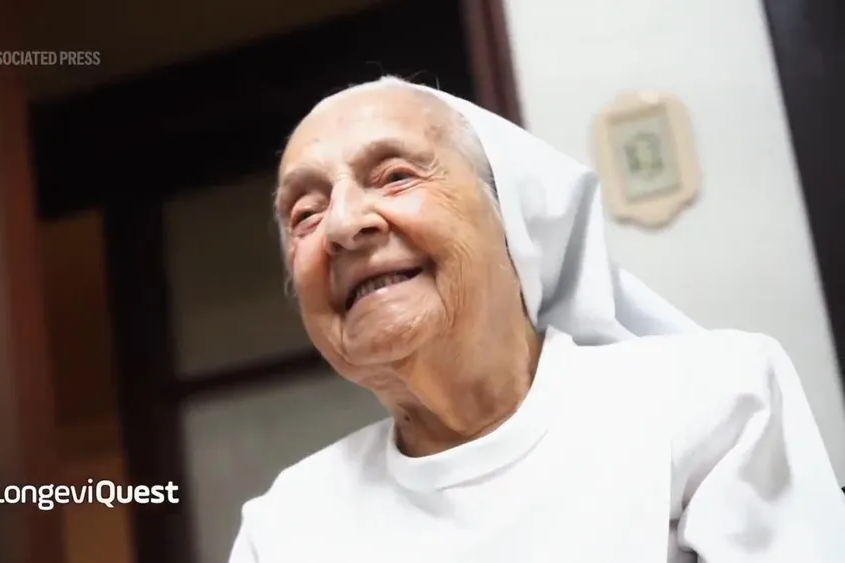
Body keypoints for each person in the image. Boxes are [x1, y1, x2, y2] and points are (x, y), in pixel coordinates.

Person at [227, 76, 845, 562]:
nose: (341, 225)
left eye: (394, 177)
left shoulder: (713, 400)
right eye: (305, 214)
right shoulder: (285, 525)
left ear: (511, 217)